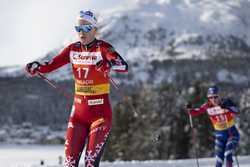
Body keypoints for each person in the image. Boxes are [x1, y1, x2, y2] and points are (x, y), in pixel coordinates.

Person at [25, 10, 128, 167]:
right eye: (78, 28)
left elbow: (123, 65)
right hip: (78, 116)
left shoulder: (103, 48)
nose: (82, 32)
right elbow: (50, 65)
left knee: (90, 163)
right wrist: (37, 66)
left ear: (95, 29)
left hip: (100, 116)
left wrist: (108, 63)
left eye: (86, 28)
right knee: (69, 163)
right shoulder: (72, 49)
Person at [186, 85, 240, 167]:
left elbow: (237, 111)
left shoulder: (226, 102)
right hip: (220, 136)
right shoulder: (207, 106)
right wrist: (190, 110)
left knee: (228, 154)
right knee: (219, 159)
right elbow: (197, 111)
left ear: (219, 96)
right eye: (211, 97)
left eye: (215, 97)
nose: (213, 99)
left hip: (231, 134)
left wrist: (228, 107)